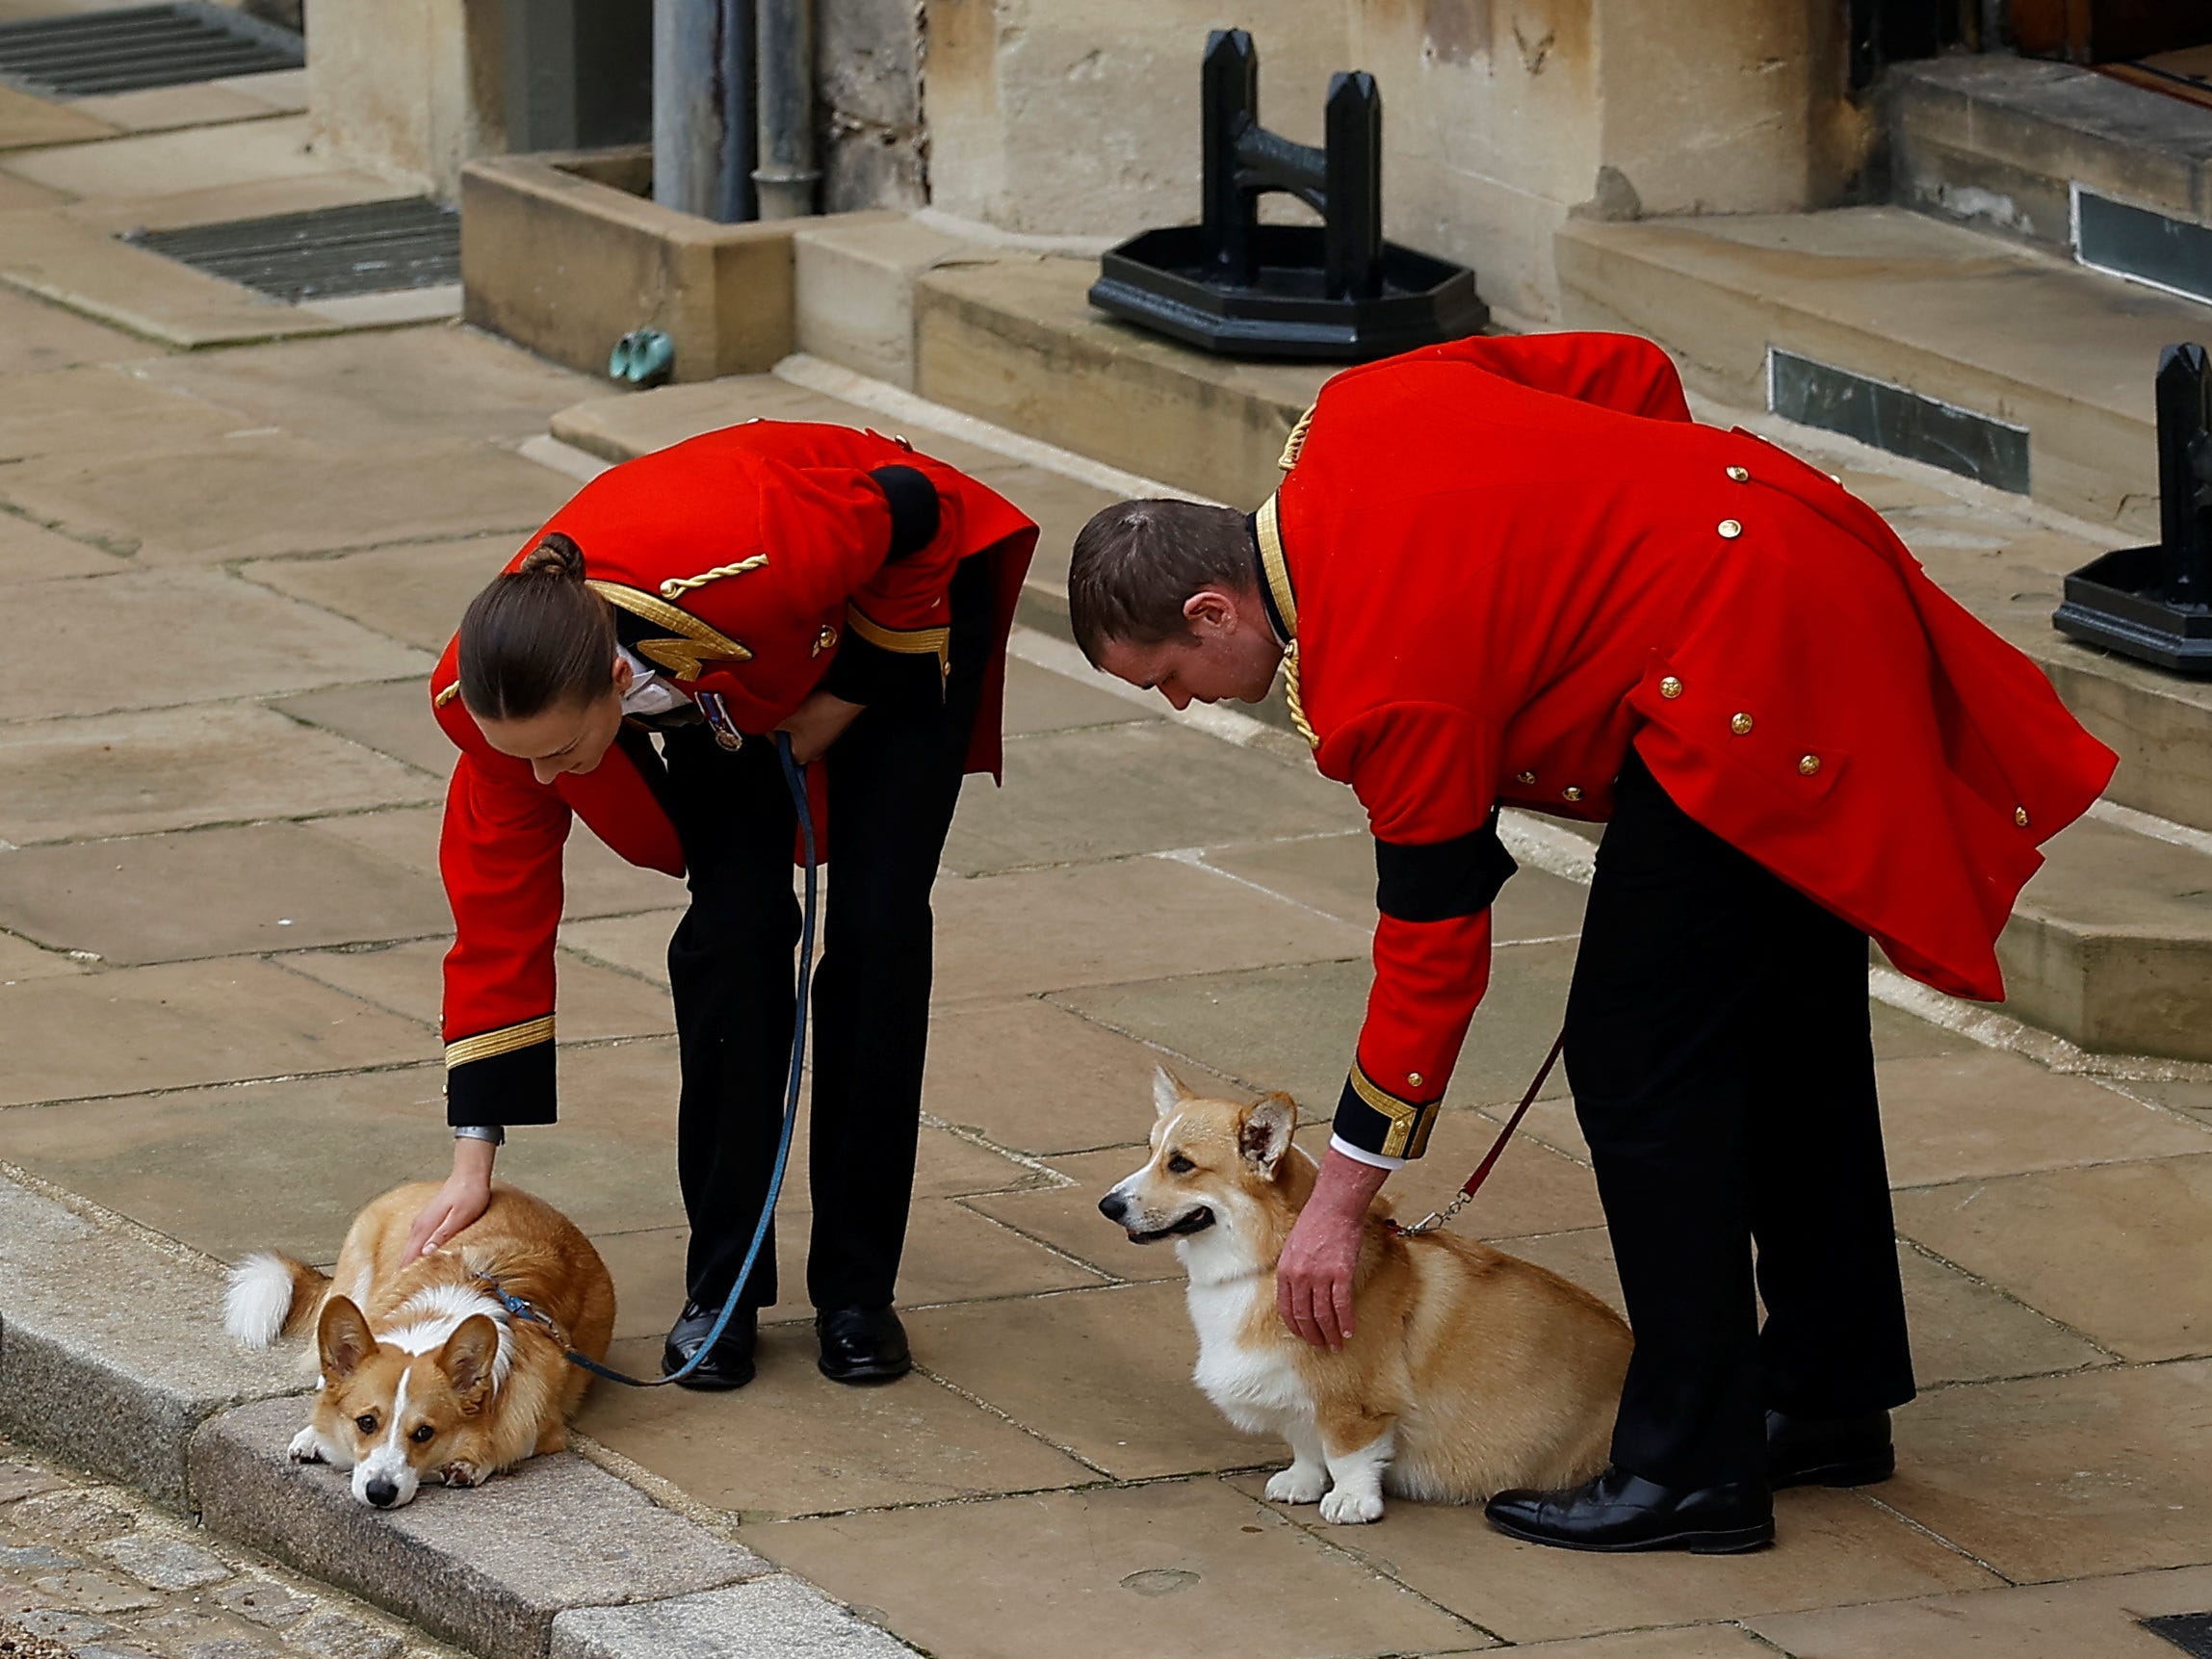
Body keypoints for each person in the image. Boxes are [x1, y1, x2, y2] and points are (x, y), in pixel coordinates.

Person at [1064, 331, 2115, 1552]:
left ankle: (1691, 1466)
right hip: (1792, 559)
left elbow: (1432, 953)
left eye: (1175, 676)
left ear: (1212, 605)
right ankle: (1825, 1395)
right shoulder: (1354, 410)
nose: (1188, 702)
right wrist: (1649, 535)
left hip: (1741, 681)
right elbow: (1623, 371)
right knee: (1785, 1031)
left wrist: (1337, 1202)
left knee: (1639, 1071)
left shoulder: (1379, 681)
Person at [406, 421, 1036, 1390]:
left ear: (615, 680)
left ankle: (858, 1294)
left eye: (556, 750)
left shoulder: (754, 554)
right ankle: (723, 1290)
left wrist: (846, 696)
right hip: (728, 684)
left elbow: (917, 508)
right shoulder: (500, 699)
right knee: (731, 938)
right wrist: (471, 1159)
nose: (536, 776)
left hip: (888, 613)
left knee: (876, 932)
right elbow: (495, 921)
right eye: (518, 751)